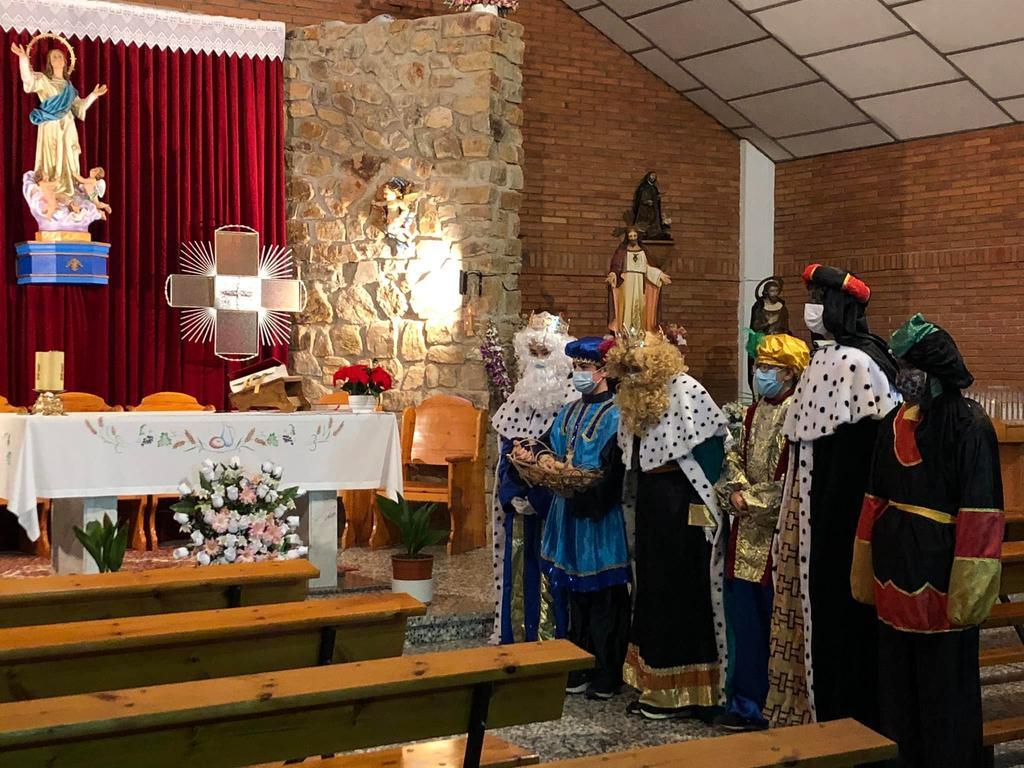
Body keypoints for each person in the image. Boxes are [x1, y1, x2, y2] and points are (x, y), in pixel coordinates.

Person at [852, 315, 1003, 768]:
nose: (902, 377)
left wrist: (969, 591)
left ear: (935, 371)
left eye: (910, 367)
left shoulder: (969, 424)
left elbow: (981, 512)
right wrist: (863, 564)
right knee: (896, 685)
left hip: (941, 572)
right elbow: (874, 497)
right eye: (900, 367)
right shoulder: (893, 422)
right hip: (894, 568)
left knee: (945, 689)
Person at [765, 264, 901, 728]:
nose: (810, 308)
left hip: (840, 512)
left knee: (840, 615)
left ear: (839, 307)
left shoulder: (856, 362)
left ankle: (845, 718)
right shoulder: (825, 358)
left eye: (818, 299)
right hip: (812, 506)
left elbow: (862, 449)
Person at [605, 330, 729, 720]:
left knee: (682, 590)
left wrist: (705, 509)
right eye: (627, 369)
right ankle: (655, 683)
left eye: (638, 368)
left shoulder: (686, 389)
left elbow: (711, 451)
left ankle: (690, 690)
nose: (632, 376)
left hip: (683, 503)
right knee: (652, 588)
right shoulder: (631, 398)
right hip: (651, 502)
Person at [526, 336, 631, 700]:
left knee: (603, 596)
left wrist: (588, 488)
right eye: (575, 367)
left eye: (584, 367)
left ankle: (607, 670)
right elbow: (545, 443)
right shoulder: (569, 410)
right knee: (573, 595)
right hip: (566, 512)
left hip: (597, 517)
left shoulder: (618, 414)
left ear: (603, 371)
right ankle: (580, 663)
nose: (578, 374)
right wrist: (538, 458)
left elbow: (615, 468)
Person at [715, 333, 809, 731]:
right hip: (742, 533)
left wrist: (750, 501)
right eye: (759, 365)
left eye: (769, 367)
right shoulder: (752, 412)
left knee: (773, 625)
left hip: (776, 537)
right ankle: (743, 701)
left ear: (790, 373)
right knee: (744, 623)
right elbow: (732, 457)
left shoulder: (797, 414)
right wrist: (735, 491)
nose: (760, 373)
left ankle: (770, 704)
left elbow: (790, 477)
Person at [491, 312, 576, 645]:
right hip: (518, 510)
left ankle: (553, 642)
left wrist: (540, 494)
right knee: (518, 569)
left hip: (556, 510)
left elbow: (571, 459)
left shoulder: (574, 402)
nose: (539, 360)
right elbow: (505, 452)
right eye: (533, 352)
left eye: (546, 352)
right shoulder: (517, 399)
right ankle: (514, 636)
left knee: (552, 577)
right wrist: (513, 493)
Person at [11, 40, 108, 199]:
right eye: (54, 56)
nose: (58, 58)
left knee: (70, 156)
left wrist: (93, 95)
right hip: (50, 126)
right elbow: (28, 80)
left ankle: (69, 190)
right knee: (52, 158)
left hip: (68, 127)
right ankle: (52, 192)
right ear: (49, 62)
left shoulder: (70, 88)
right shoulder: (44, 80)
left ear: (65, 61)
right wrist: (23, 59)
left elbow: (79, 107)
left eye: (60, 56)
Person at [608, 227, 671, 333]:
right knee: (627, 307)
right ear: (627, 237)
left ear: (638, 237)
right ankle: (625, 332)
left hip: (639, 282)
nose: (633, 238)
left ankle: (638, 333)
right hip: (627, 282)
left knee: (640, 306)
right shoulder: (622, 251)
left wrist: (659, 275)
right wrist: (613, 274)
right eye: (630, 236)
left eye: (634, 236)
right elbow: (616, 266)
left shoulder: (643, 252)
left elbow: (646, 268)